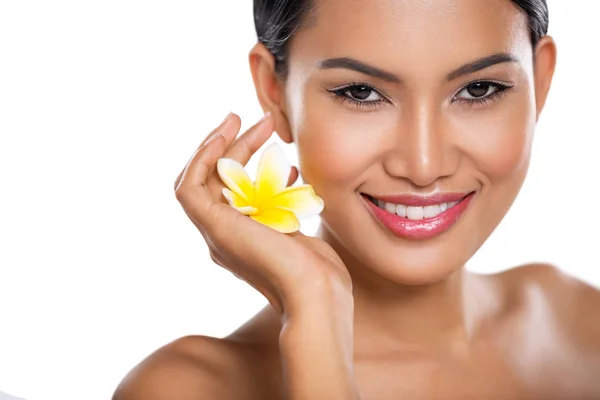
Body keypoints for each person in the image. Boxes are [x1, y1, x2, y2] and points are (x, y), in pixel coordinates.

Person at [112, 0, 600, 399]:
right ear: (274, 92)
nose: (424, 164)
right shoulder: (189, 390)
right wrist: (314, 308)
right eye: (361, 93)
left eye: (479, 88)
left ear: (540, 82)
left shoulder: (580, 326)